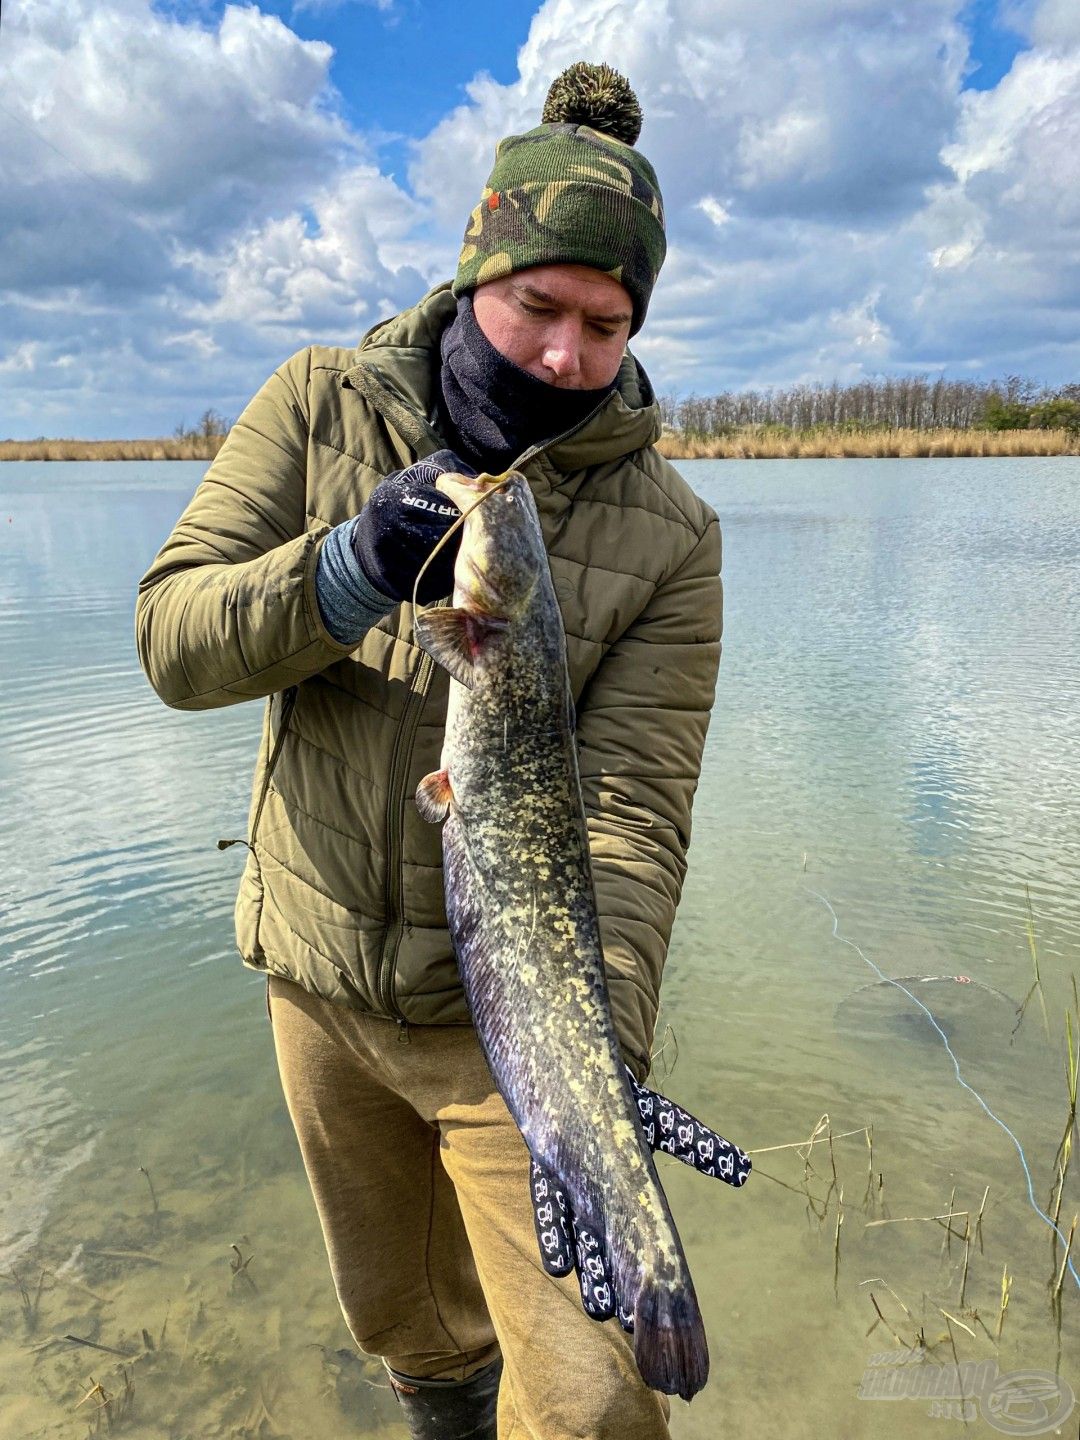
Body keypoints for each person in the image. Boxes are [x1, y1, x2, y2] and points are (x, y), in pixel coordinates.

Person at [137, 61, 726, 1440]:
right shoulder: (319, 404)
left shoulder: (676, 537)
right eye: (540, 307)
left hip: (505, 1029)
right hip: (322, 985)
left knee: (592, 1407)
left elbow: (635, 820)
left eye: (608, 321)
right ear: (477, 276)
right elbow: (173, 642)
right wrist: (338, 573)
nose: (571, 358)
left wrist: (592, 1067)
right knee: (406, 1326)